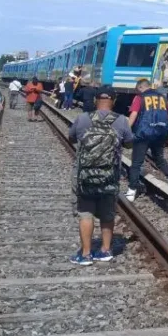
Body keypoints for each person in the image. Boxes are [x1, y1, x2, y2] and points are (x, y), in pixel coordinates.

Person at [68, 86, 133, 265]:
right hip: (110, 176)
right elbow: (129, 144)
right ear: (114, 100)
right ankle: (105, 250)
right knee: (107, 213)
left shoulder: (82, 118)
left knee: (85, 213)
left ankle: (86, 254)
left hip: (84, 176)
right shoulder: (121, 121)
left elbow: (71, 137)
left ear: (96, 100)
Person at [125, 79, 168, 202]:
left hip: (143, 134)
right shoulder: (162, 97)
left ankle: (131, 191)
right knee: (159, 159)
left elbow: (134, 114)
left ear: (140, 87)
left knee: (136, 163)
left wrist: (126, 131)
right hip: (160, 133)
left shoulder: (139, 97)